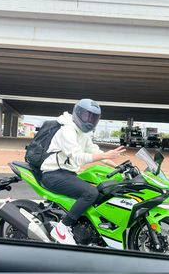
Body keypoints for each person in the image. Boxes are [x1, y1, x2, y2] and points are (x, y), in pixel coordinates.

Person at [41, 98, 126, 245]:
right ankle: (62, 227)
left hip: (67, 173)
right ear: (77, 113)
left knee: (101, 191)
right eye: (87, 116)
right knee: (90, 193)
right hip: (53, 174)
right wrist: (105, 155)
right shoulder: (67, 130)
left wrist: (120, 167)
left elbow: (95, 152)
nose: (90, 120)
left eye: (93, 117)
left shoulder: (82, 133)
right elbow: (78, 157)